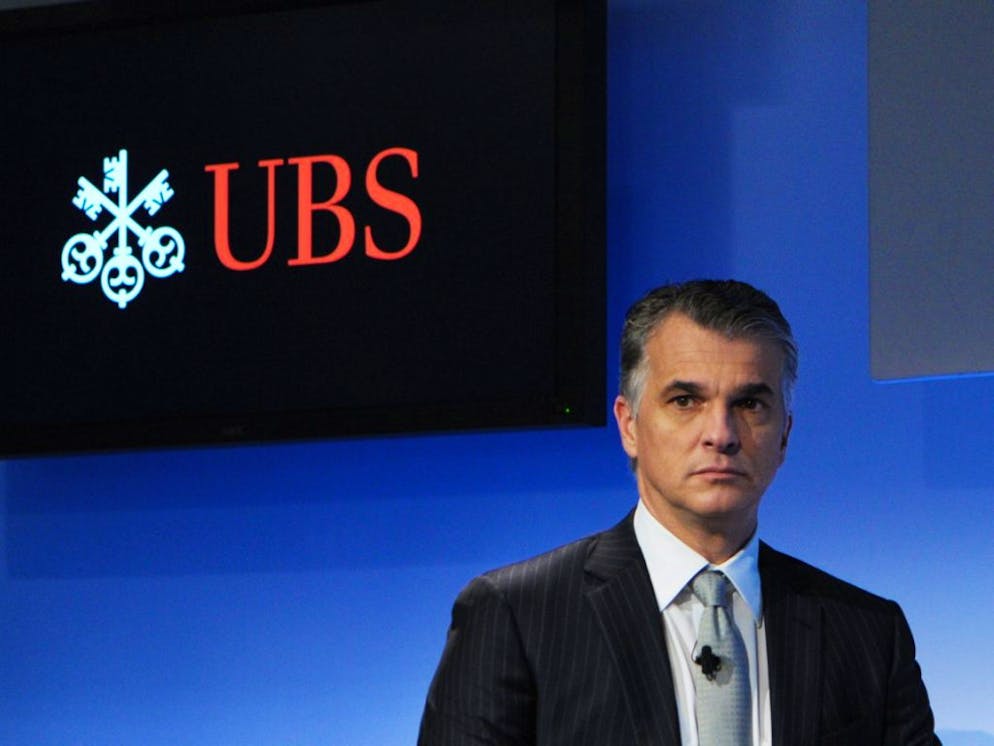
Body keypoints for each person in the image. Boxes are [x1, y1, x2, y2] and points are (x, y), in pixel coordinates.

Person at [418, 279, 939, 745]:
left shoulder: (869, 633)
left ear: (784, 434)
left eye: (750, 404)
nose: (721, 434)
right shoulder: (518, 616)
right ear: (629, 425)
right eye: (686, 401)